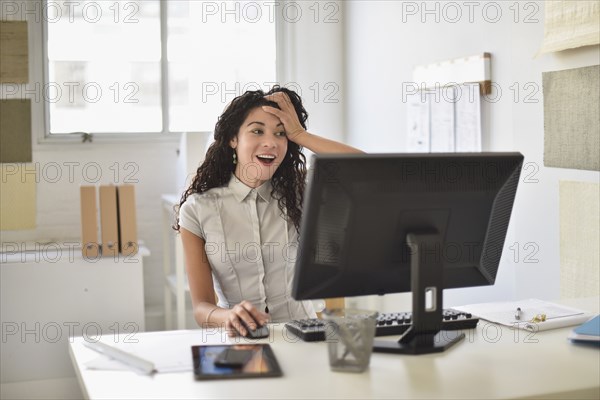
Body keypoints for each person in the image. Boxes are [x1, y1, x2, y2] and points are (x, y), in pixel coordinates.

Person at [175, 86, 362, 337]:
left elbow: (367, 171)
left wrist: (300, 134)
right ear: (233, 139)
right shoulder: (197, 210)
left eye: (281, 133)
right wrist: (229, 316)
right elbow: (201, 309)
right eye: (257, 130)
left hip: (302, 334)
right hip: (240, 338)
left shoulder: (303, 193)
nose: (270, 142)